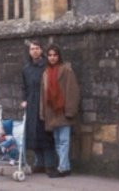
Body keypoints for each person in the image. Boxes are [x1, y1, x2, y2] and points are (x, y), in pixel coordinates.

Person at [40, 43, 80, 178]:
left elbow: (72, 91)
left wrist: (70, 111)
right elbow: (43, 94)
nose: (52, 58)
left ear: (59, 56)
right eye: (50, 55)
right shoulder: (46, 72)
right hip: (51, 112)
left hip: (63, 111)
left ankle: (62, 168)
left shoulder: (66, 70)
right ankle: (65, 167)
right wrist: (43, 112)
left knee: (64, 141)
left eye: (55, 55)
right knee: (57, 141)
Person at [21, 39, 56, 173]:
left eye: (37, 48)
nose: (34, 51)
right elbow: (23, 86)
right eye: (32, 49)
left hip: (44, 103)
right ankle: (39, 163)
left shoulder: (47, 66)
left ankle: (49, 164)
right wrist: (24, 99)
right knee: (33, 134)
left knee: (46, 134)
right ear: (29, 52)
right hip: (31, 103)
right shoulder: (26, 68)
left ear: (41, 50)